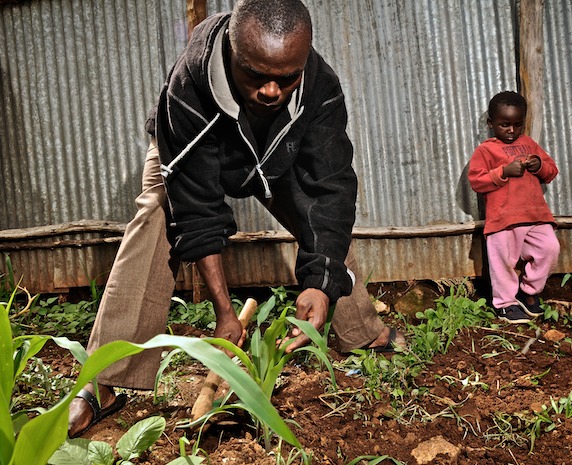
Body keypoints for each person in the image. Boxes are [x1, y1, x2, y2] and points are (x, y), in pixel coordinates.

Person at [68, 0, 404, 438]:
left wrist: (319, 285)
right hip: (190, 154)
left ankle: (363, 332)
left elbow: (332, 189)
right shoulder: (188, 86)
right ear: (231, 52)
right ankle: (104, 379)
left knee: (323, 222)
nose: (270, 91)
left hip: (272, 152)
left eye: (286, 78)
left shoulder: (320, 87)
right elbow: (196, 208)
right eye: (256, 75)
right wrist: (225, 312)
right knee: (156, 213)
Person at [468, 91, 560, 324]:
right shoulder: (485, 150)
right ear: (491, 123)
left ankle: (528, 291)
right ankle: (505, 303)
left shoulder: (528, 143)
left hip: (536, 215)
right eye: (505, 124)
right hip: (502, 219)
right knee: (503, 263)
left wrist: (539, 165)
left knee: (549, 249)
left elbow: (551, 170)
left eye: (517, 124)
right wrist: (503, 172)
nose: (511, 130)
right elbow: (477, 181)